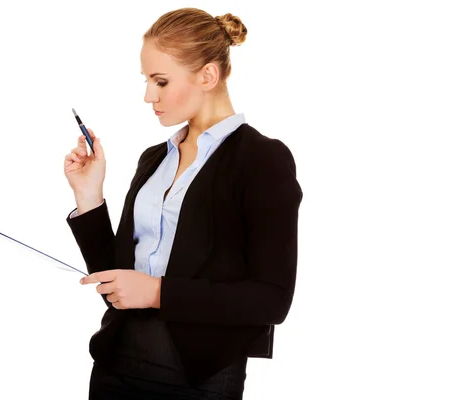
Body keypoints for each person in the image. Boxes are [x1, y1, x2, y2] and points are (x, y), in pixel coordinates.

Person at [63, 7, 303, 400]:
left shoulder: (262, 160)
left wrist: (157, 293)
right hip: (115, 366)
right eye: (146, 81)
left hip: (198, 379)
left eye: (160, 81)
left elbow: (272, 299)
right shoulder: (154, 158)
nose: (147, 96)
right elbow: (118, 283)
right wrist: (89, 196)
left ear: (207, 76)